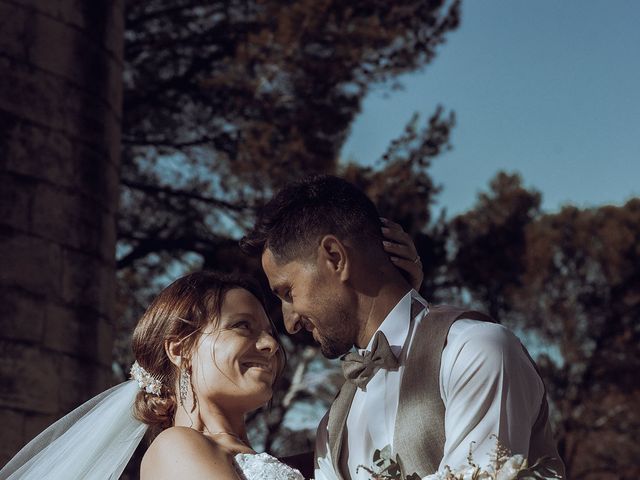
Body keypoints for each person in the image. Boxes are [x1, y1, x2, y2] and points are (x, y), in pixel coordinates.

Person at [1, 229, 421, 479]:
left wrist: (397, 300)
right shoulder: (176, 448)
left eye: (270, 333)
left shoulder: (292, 458)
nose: (272, 345)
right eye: (244, 327)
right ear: (180, 349)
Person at [240, 174, 566, 479]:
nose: (290, 322)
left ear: (335, 257)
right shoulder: (334, 423)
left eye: (288, 293)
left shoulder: (473, 350)